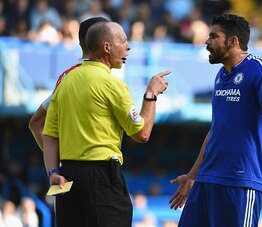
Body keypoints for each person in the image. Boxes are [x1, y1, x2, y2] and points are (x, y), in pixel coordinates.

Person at [42, 21, 170, 227]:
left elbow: (49, 134)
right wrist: (151, 94)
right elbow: (142, 134)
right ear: (107, 47)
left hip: (66, 177)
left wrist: (53, 172)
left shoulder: (66, 80)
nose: (128, 47)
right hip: (101, 177)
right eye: (123, 40)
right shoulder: (112, 84)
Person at [169, 14, 262, 227]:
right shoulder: (221, 76)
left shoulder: (260, 67)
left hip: (240, 181)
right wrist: (192, 175)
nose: (207, 42)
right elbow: (216, 130)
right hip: (206, 180)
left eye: (214, 36)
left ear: (233, 41)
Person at [28, 16, 109, 151]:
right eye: (115, 37)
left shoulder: (68, 76)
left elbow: (35, 123)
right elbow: (142, 134)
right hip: (89, 168)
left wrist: (56, 165)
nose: (126, 46)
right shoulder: (72, 78)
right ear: (104, 44)